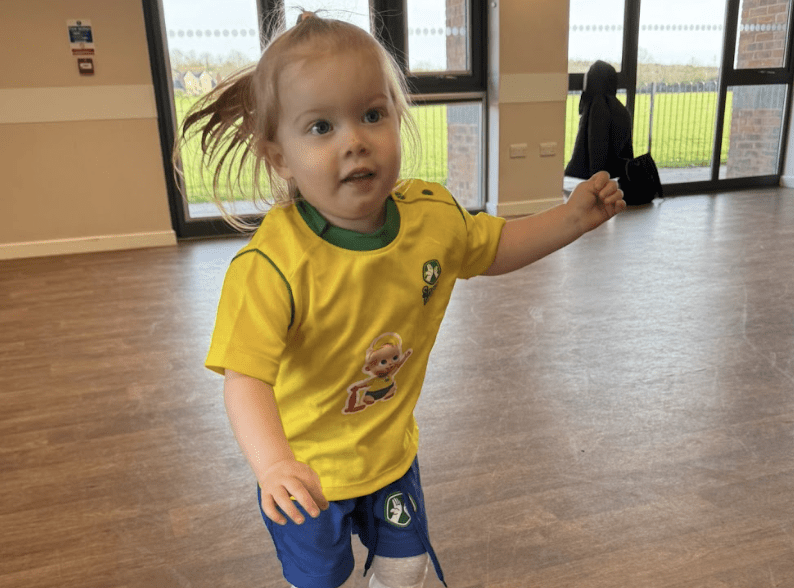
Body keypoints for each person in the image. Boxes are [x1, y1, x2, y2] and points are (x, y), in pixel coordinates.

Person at [181, 12, 625, 588]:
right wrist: (273, 466)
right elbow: (244, 378)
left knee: (407, 566)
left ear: (397, 116)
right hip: (306, 473)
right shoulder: (271, 268)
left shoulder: (432, 217)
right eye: (321, 127)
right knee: (320, 580)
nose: (355, 141)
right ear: (279, 157)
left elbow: (491, 248)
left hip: (389, 454)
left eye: (372, 114)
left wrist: (570, 219)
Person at [565, 60, 634, 180]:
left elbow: (597, 153)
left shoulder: (598, 108)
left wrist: (595, 184)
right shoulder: (619, 108)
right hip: (616, 177)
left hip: (595, 180)